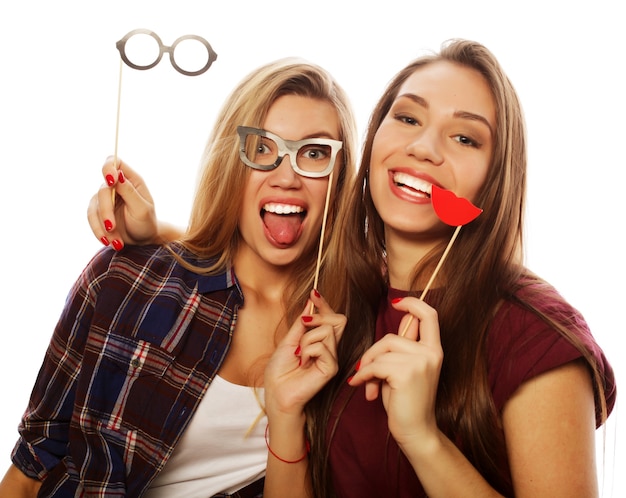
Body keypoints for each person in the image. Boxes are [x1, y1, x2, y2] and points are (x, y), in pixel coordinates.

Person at [81, 40, 616, 497]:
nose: (423, 147)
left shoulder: (535, 333)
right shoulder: (342, 296)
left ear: (496, 179)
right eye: (407, 118)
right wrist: (161, 234)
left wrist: (423, 437)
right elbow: (258, 249)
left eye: (464, 137)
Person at [0, 57, 358, 497]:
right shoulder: (124, 279)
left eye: (316, 153)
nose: (287, 176)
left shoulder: (351, 333)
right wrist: (167, 241)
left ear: (340, 179)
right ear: (232, 161)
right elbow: (25, 476)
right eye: (262, 147)